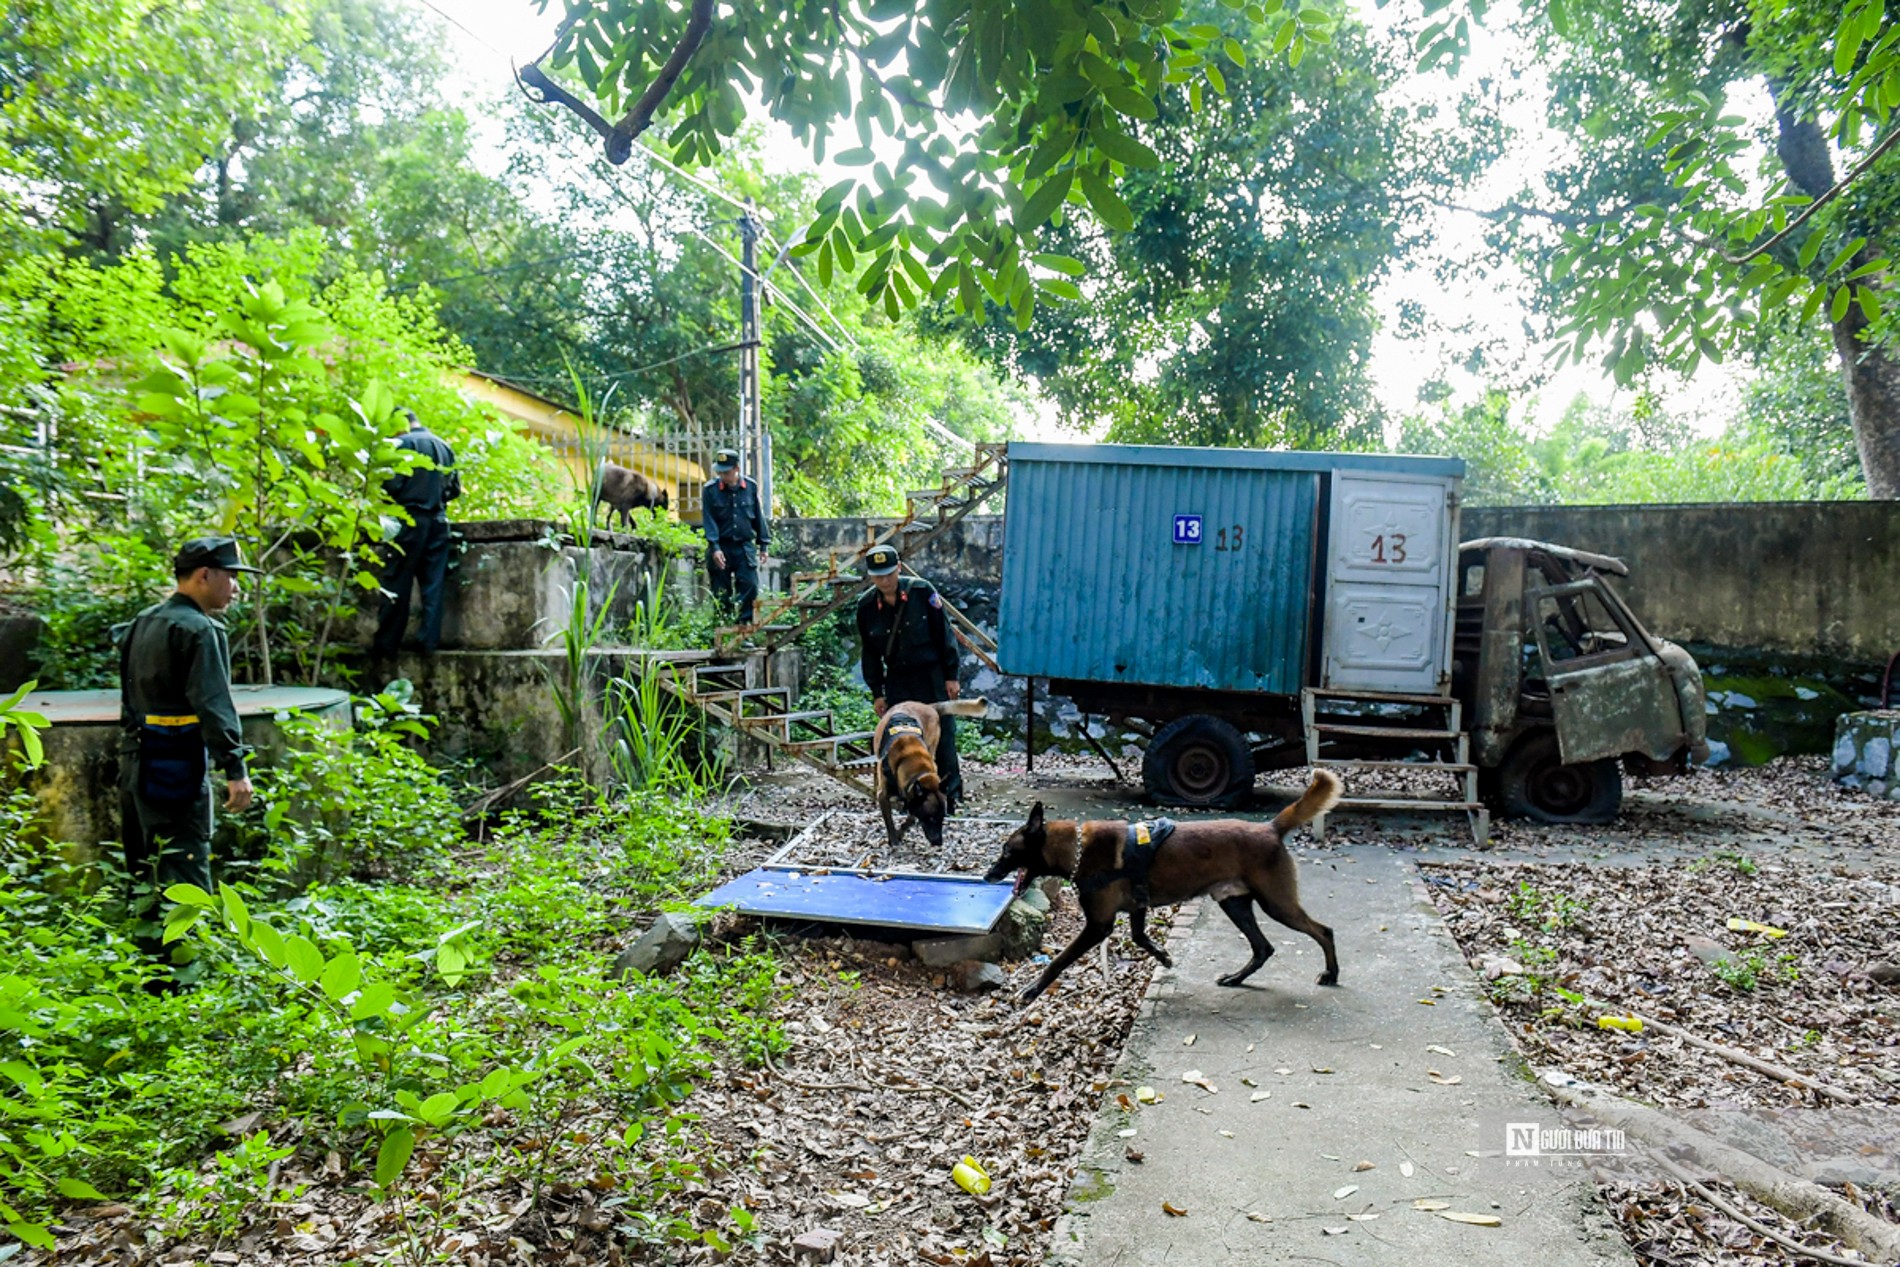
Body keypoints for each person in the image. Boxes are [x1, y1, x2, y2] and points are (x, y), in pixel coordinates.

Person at [118, 536, 259, 972]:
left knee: (147, 870)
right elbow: (213, 703)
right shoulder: (199, 630)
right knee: (186, 871)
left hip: (136, 765)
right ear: (204, 576)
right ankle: (188, 979)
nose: (235, 588)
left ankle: (150, 975)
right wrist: (235, 768)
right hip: (176, 766)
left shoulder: (142, 622)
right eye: (231, 577)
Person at [855, 543, 964, 810]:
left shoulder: (922, 592)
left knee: (943, 736)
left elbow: (944, 634)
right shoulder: (867, 606)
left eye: (890, 574)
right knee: (902, 738)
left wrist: (951, 675)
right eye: (879, 575)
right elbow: (869, 653)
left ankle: (950, 796)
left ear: (899, 569)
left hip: (931, 675)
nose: (885, 580)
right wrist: (877, 692)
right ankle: (909, 795)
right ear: (871, 576)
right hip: (898, 679)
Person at [372, 409, 460, 662]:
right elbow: (454, 489)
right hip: (438, 522)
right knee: (433, 584)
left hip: (407, 520)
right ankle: (428, 644)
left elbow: (390, 485)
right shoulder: (444, 446)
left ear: (398, 424)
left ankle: (386, 647)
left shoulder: (400, 444)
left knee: (396, 583)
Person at [701, 447, 770, 625]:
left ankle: (744, 628)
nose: (723, 476)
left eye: (727, 472)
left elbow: (758, 516)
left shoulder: (750, 487)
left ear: (737, 468)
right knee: (721, 591)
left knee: (750, 586)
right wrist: (714, 547)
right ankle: (722, 629)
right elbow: (709, 521)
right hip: (720, 546)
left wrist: (763, 545)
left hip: (743, 547)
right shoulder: (710, 490)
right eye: (720, 472)